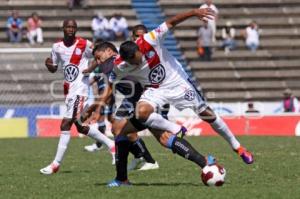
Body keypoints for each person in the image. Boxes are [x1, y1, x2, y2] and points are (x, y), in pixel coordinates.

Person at [106, 7, 253, 187]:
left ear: (138, 49)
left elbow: (172, 22)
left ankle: (238, 147)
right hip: (155, 89)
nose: (137, 62)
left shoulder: (150, 39)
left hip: (178, 83)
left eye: (137, 57)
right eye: (133, 62)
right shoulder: (120, 65)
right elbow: (110, 76)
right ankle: (174, 130)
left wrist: (194, 13)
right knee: (141, 112)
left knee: (207, 115)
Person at [40, 19, 116, 175]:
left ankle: (55, 164)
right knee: (80, 126)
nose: (70, 29)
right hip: (68, 90)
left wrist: (89, 69)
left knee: (65, 124)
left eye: (73, 27)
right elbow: (53, 68)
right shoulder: (57, 47)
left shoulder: (84, 43)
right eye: (68, 26)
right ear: (63, 28)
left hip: (80, 89)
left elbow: (99, 56)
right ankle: (112, 145)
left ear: (76, 29)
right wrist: (48, 64)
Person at [84, 25, 161, 171]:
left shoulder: (113, 62)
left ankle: (148, 160)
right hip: (129, 97)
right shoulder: (115, 60)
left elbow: (110, 88)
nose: (98, 62)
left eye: (98, 58)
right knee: (118, 129)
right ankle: (144, 159)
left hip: (140, 95)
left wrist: (96, 108)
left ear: (108, 51)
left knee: (159, 133)